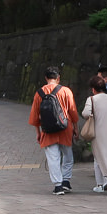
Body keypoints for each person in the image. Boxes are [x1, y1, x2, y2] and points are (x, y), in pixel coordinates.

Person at [28, 66, 80, 195]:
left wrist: (38, 133)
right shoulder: (66, 91)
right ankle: (66, 181)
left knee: (53, 158)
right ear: (58, 78)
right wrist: (75, 128)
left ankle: (58, 185)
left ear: (46, 78)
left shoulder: (39, 93)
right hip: (65, 128)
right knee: (68, 156)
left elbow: (35, 116)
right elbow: (73, 111)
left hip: (48, 129)